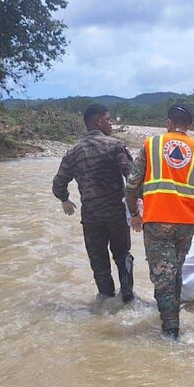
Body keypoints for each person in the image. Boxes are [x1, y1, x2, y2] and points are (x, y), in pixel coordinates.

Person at [125, 103, 194, 341]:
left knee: (162, 276)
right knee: (174, 272)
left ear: (168, 123)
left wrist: (134, 213)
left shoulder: (151, 144)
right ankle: (173, 319)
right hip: (186, 224)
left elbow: (131, 185)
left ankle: (170, 331)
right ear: (189, 126)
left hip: (156, 220)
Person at [52, 104, 136, 303]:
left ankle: (106, 301)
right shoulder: (115, 146)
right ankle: (127, 299)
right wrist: (135, 209)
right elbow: (133, 178)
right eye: (108, 119)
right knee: (122, 255)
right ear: (98, 120)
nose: (111, 123)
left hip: (91, 218)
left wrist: (64, 199)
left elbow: (58, 183)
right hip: (116, 214)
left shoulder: (73, 152)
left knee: (99, 263)